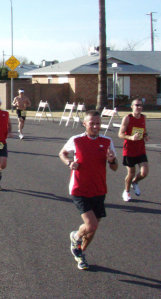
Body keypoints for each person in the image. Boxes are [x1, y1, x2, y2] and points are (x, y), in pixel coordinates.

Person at [59, 110, 118, 270]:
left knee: (93, 228)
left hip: (99, 189)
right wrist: (69, 163)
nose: (95, 126)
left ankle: (80, 252)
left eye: (98, 123)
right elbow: (62, 153)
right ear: (84, 124)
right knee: (91, 225)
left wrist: (112, 160)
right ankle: (75, 236)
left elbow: (114, 167)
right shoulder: (76, 140)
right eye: (92, 123)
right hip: (79, 188)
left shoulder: (107, 141)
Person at [118, 98, 149, 202]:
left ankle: (135, 182)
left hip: (140, 149)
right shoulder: (127, 118)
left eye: (141, 105)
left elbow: (144, 131)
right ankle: (126, 192)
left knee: (144, 172)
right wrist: (131, 137)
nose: (139, 107)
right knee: (131, 173)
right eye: (137, 105)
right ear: (132, 106)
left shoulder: (143, 117)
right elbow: (120, 134)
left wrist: (145, 136)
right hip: (129, 150)